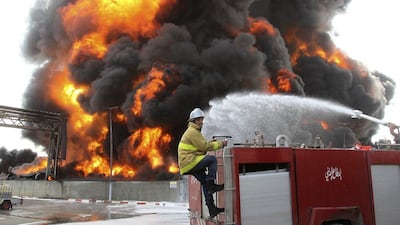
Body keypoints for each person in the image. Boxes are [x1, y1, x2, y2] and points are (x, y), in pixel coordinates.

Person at [178, 108, 227, 218]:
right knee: (212, 160)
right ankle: (212, 185)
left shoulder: (193, 132)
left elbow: (201, 147)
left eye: (202, 119)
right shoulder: (192, 132)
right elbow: (204, 147)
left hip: (188, 162)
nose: (201, 122)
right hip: (189, 161)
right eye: (199, 120)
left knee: (204, 183)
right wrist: (221, 144)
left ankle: (212, 209)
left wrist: (211, 143)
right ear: (193, 121)